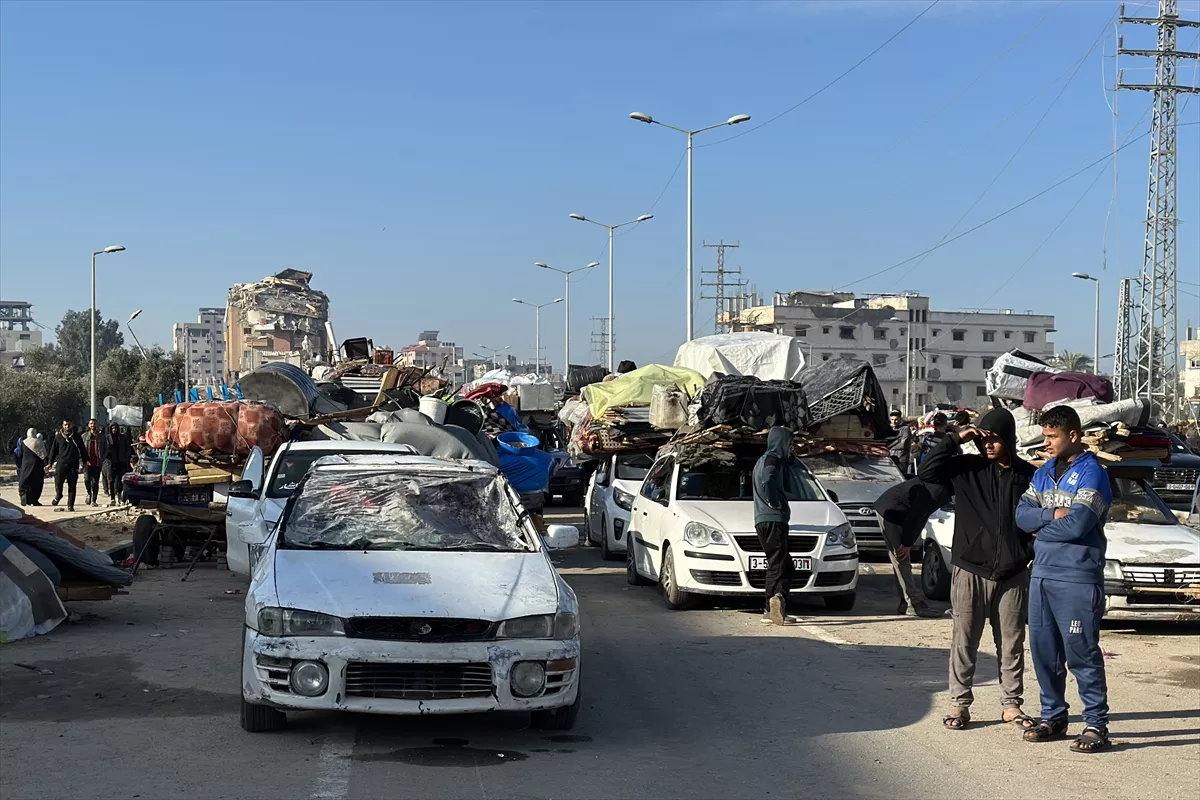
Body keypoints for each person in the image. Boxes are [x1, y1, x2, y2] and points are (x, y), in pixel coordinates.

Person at [918, 407, 1037, 732]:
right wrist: (957, 437)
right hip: (970, 570)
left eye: (995, 438)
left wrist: (1025, 553)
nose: (988, 445)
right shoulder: (967, 469)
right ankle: (960, 704)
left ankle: (1011, 705)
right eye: (984, 439)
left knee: (1011, 642)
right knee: (965, 641)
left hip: (1013, 574)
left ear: (1009, 439)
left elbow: (1039, 516)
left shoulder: (1027, 475)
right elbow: (927, 471)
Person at [1015, 405, 1113, 753]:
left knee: (1081, 653)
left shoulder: (1093, 473)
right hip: (1041, 574)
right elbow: (1021, 516)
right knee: (1045, 653)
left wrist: (1041, 529)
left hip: (1077, 577)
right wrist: (1052, 514)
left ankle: (1096, 724)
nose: (1046, 443)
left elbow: (1079, 524)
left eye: (1052, 436)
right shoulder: (1042, 474)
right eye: (1044, 436)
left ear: (1073, 435)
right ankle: (1053, 716)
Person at [873, 477, 952, 618]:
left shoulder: (942, 488)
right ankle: (913, 604)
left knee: (901, 559)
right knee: (901, 558)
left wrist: (909, 541)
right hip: (891, 511)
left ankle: (905, 602)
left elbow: (922, 517)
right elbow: (917, 516)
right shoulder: (936, 489)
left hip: (902, 511)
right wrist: (906, 543)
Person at [752, 427, 801, 626]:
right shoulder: (771, 459)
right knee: (777, 565)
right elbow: (768, 478)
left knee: (786, 565)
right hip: (774, 519)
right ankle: (769, 607)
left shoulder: (766, 460)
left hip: (764, 520)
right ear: (781, 442)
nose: (791, 448)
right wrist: (773, 501)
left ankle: (778, 600)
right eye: (789, 443)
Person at [48, 419, 85, 512]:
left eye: (69, 424)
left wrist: (85, 462)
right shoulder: (59, 436)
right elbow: (53, 451)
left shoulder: (76, 437)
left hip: (73, 464)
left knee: (72, 485)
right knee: (58, 481)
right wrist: (50, 463)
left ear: (71, 425)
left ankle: (70, 505)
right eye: (65, 425)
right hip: (61, 463)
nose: (67, 426)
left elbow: (83, 450)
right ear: (62, 426)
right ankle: (58, 495)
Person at [102, 422, 132, 506]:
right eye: (112, 428)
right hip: (110, 462)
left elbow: (128, 449)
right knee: (111, 480)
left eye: (115, 428)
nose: (114, 430)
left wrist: (125, 457)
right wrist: (106, 457)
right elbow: (103, 449)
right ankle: (112, 498)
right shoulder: (107, 438)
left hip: (121, 462)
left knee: (119, 480)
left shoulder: (123, 438)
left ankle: (119, 496)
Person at [17, 428, 48, 506]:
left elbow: (20, 454)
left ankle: (23, 493)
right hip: (37, 465)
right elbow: (44, 454)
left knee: (25, 480)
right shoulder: (39, 442)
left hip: (26, 464)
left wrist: (20, 464)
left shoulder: (23, 442)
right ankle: (34, 500)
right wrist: (46, 464)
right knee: (36, 483)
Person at [80, 418, 107, 507]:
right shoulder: (84, 436)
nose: (93, 425)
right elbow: (80, 449)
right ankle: (89, 493)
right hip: (87, 463)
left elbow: (106, 449)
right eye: (91, 423)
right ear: (89, 425)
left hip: (97, 463)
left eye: (94, 423)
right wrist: (82, 461)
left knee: (95, 482)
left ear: (97, 425)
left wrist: (102, 458)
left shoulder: (102, 437)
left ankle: (94, 500)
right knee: (87, 480)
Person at [887, 409, 913, 476]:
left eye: (896, 419)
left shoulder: (905, 429)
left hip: (902, 459)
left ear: (900, 419)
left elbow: (903, 444)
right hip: (890, 457)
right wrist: (897, 441)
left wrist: (889, 446)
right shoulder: (889, 429)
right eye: (892, 419)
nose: (894, 422)